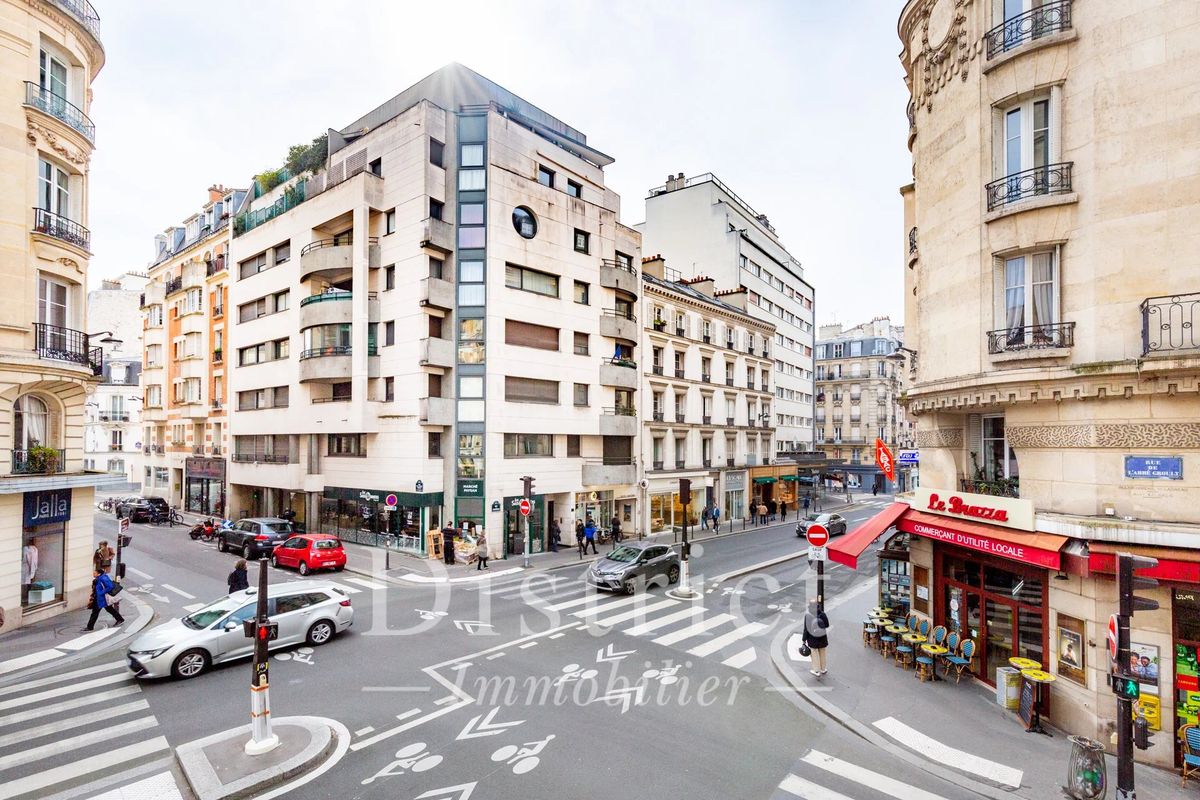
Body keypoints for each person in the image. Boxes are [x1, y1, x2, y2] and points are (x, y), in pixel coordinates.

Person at [802, 599, 830, 676]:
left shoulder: (808, 616)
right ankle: (823, 669)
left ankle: (816, 671)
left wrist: (804, 639)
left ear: (809, 606)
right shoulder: (822, 614)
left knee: (814, 654)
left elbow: (806, 629)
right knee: (822, 653)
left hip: (812, 638)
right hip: (822, 637)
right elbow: (827, 625)